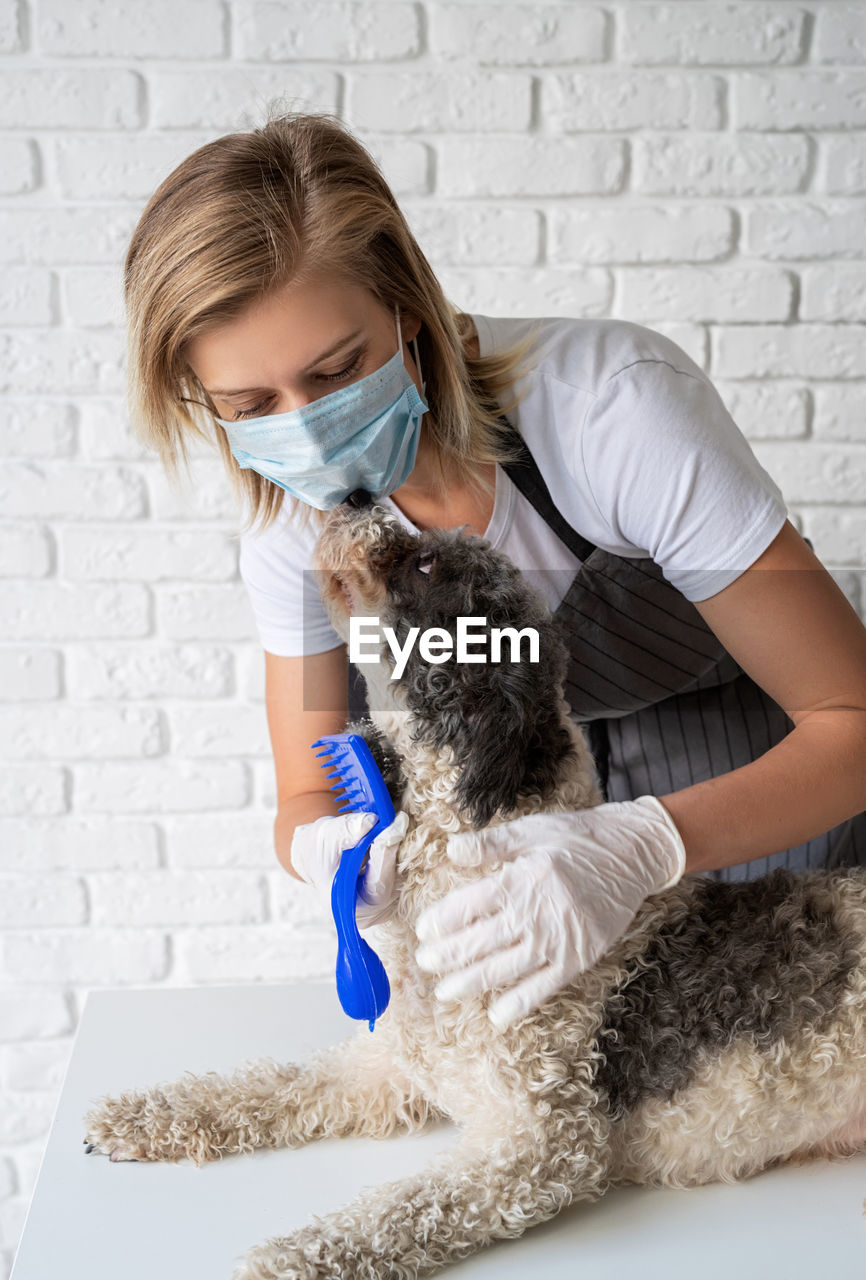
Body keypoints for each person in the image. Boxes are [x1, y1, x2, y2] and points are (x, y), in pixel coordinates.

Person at [123, 109, 866, 1031]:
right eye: (250, 404)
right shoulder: (291, 537)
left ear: (411, 306)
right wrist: (333, 853)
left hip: (771, 862)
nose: (307, 427)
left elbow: (853, 722)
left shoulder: (611, 413)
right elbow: (307, 793)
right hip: (522, 937)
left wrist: (640, 844)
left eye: (339, 368)